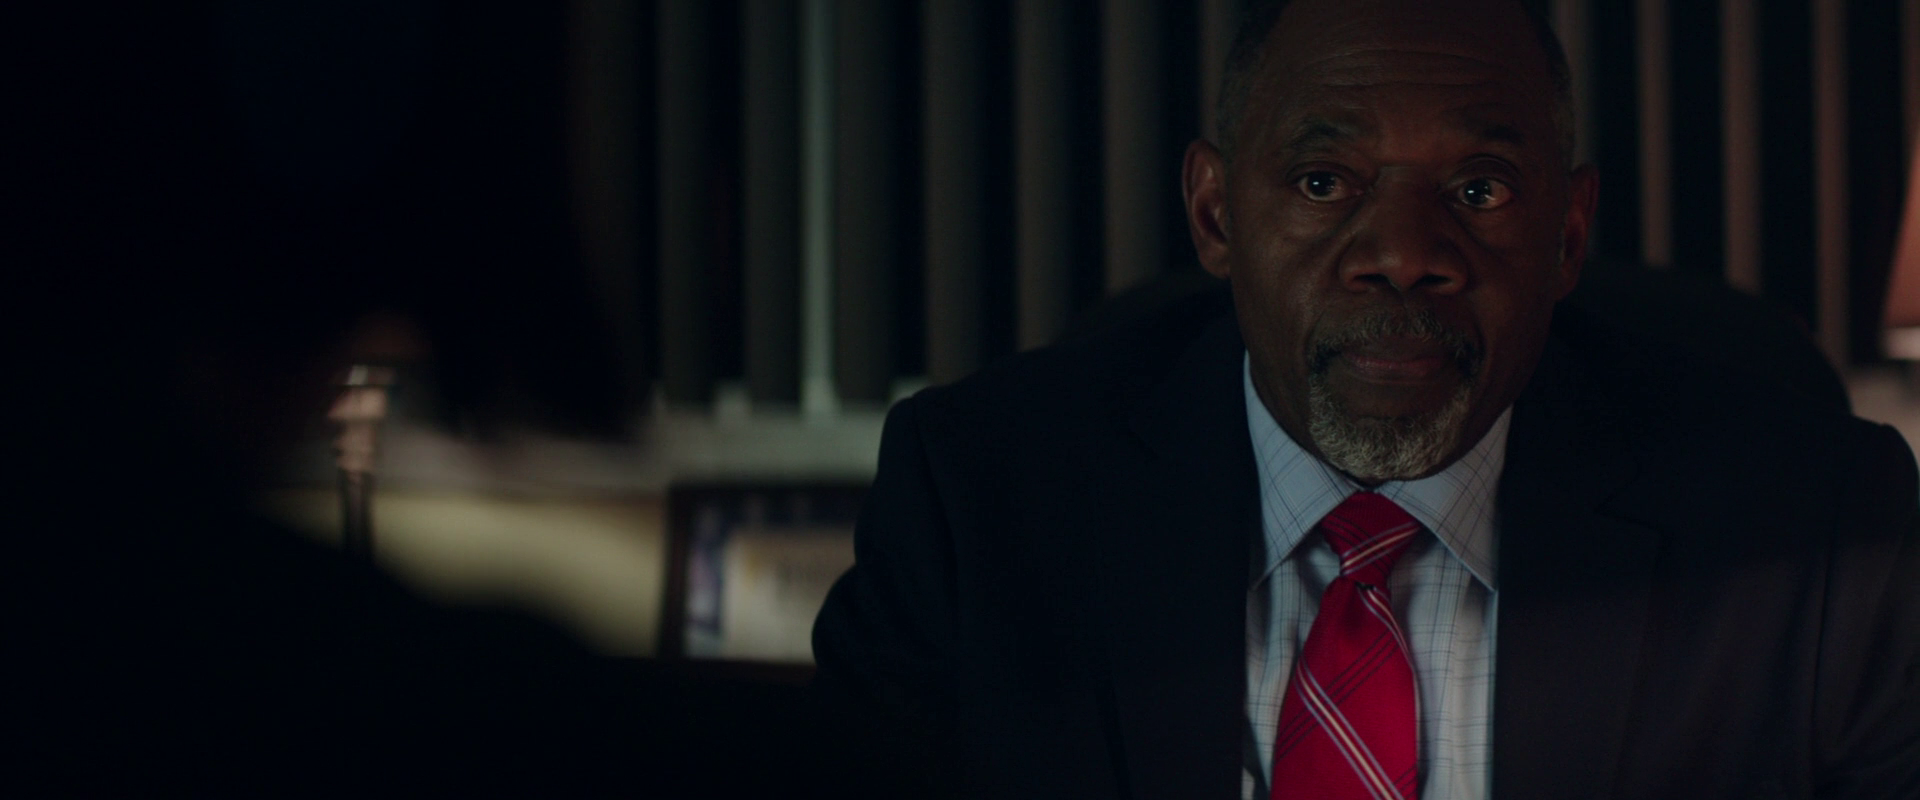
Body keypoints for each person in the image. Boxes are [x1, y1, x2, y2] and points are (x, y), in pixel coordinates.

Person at [809, 0, 1920, 797]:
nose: (1402, 254)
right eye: (1323, 181)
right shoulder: (979, 500)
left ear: (1569, 234)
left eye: (1479, 188)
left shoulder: (1822, 536)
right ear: (1215, 215)